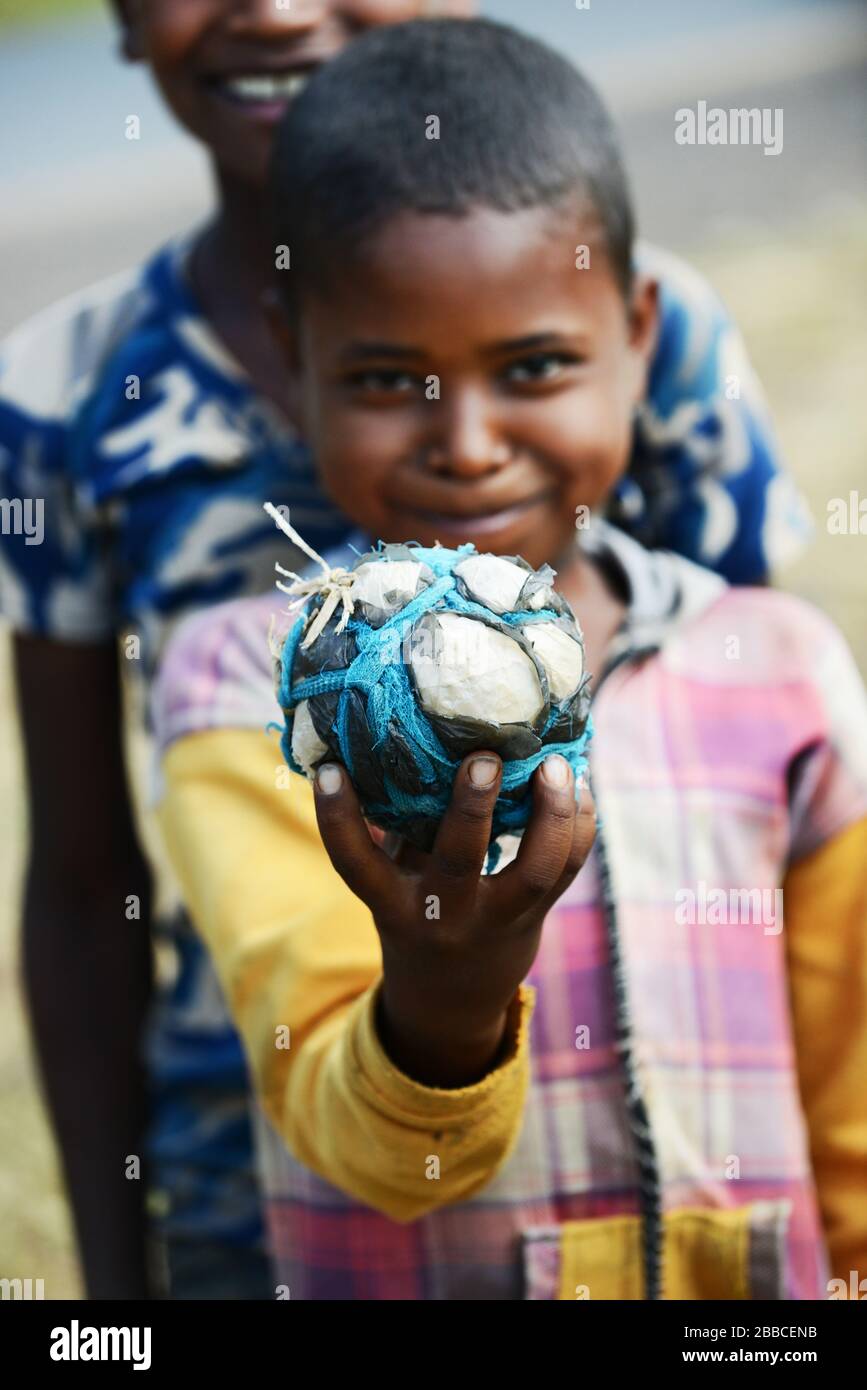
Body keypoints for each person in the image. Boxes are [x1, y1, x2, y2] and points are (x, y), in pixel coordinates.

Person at [0, 0, 811, 1298]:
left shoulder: (661, 333)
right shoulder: (68, 391)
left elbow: (742, 773)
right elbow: (87, 886)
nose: (272, 8)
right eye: (382, 378)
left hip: (659, 1142)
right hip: (266, 1168)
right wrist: (110, 1294)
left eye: (538, 365)